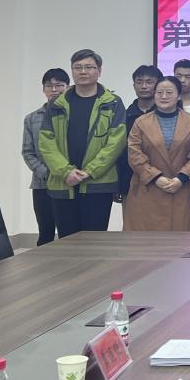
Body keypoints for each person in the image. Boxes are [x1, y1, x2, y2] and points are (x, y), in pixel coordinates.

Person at [39, 49, 127, 238]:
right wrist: (66, 171)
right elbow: (46, 142)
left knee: (95, 241)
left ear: (99, 71)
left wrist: (90, 171)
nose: (83, 71)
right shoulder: (57, 104)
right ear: (72, 71)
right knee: (67, 241)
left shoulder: (113, 103)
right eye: (77, 67)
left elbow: (116, 141)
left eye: (89, 67)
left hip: (98, 184)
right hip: (63, 183)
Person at [124, 76, 190, 231]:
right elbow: (134, 154)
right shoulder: (141, 122)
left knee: (183, 239)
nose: (163, 96)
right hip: (148, 189)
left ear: (179, 95)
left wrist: (181, 178)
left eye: (169, 92)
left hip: (183, 189)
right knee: (147, 240)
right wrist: (155, 177)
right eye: (159, 92)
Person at [21, 68, 69, 245]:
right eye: (49, 85)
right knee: (45, 232)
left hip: (68, 183)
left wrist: (64, 172)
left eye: (59, 85)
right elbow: (28, 151)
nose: (54, 90)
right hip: (42, 184)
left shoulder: (73, 115)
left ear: (68, 87)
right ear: (43, 89)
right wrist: (46, 173)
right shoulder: (32, 118)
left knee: (68, 233)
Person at [116, 65, 162, 208]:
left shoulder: (167, 115)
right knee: (132, 221)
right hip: (129, 182)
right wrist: (118, 185)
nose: (144, 86)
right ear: (134, 85)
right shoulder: (124, 115)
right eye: (139, 82)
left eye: (149, 82)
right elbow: (119, 151)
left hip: (162, 180)